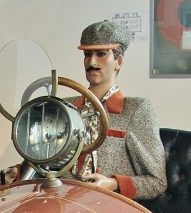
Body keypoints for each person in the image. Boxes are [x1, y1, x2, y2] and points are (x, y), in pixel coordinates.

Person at [71, 20, 166, 200]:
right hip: (63, 202)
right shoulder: (66, 108)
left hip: (108, 207)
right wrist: (18, 172)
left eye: (101, 54)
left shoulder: (135, 110)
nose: (92, 62)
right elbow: (45, 162)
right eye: (87, 54)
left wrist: (113, 183)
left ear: (118, 61)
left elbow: (157, 182)